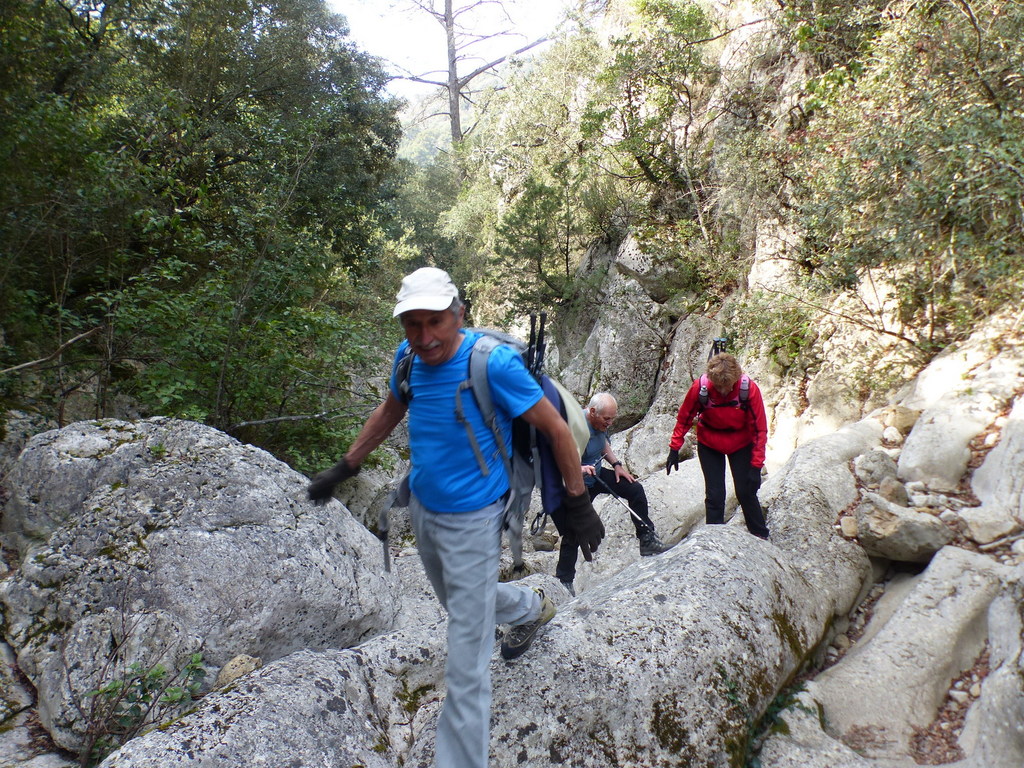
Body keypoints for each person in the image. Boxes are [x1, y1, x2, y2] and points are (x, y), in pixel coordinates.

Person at [307, 267, 604, 768]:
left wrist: (576, 504)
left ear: (459, 314)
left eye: (436, 322)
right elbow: (389, 411)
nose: (425, 337)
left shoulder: (493, 365)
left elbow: (555, 428)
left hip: (475, 522)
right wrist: (347, 464)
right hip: (422, 510)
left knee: (466, 666)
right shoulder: (409, 359)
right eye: (413, 325)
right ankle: (530, 607)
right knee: (462, 606)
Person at [550, 392, 666, 595]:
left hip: (597, 475)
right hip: (575, 482)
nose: (610, 423)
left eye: (613, 418)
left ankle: (647, 540)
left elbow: (603, 443)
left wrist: (617, 465)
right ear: (592, 412)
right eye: (607, 419)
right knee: (574, 530)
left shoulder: (599, 424)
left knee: (635, 489)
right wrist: (580, 469)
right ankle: (564, 579)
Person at [665, 352, 769, 540]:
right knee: (715, 495)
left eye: (727, 387)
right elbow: (684, 418)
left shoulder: (748, 389)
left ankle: (760, 534)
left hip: (741, 442)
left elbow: (760, 430)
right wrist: (674, 448)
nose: (722, 391)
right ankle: (713, 539)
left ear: (735, 378)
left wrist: (756, 465)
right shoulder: (701, 388)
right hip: (710, 443)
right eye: (718, 387)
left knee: (746, 492)